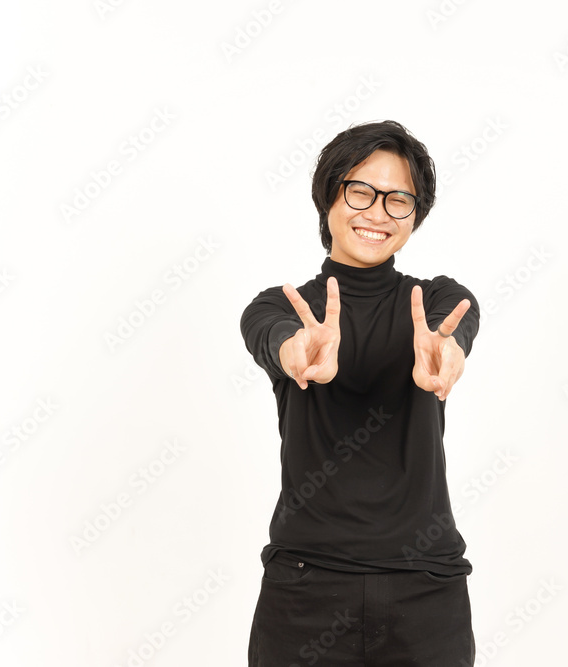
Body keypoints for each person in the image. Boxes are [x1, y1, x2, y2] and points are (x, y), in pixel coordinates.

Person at [241, 120, 480, 666]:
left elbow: (453, 333)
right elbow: (277, 340)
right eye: (360, 192)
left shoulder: (439, 302)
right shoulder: (279, 308)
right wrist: (295, 352)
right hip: (304, 590)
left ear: (415, 214)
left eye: (399, 199)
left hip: (427, 589)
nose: (378, 212)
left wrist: (447, 352)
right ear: (328, 196)